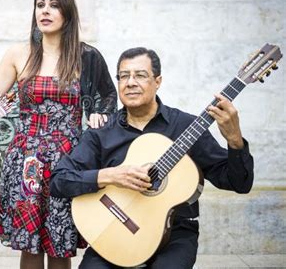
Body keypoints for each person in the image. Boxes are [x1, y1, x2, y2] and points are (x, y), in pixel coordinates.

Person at [50, 47, 254, 269]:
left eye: (140, 75)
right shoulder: (101, 132)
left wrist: (235, 142)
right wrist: (110, 175)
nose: (130, 82)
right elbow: (59, 181)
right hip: (114, 234)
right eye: (124, 76)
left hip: (174, 236)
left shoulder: (187, 127)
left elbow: (239, 183)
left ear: (158, 81)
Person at [0, 0, 117, 269]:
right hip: (25, 161)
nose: (46, 11)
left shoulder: (86, 56)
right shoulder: (18, 53)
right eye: (40, 5)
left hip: (69, 162)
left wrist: (98, 114)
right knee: (29, 247)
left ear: (67, 13)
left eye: (54, 5)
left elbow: (107, 98)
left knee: (60, 245)